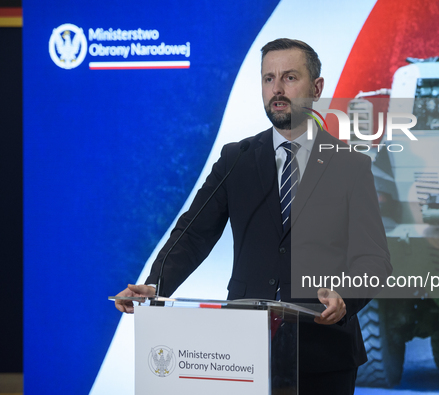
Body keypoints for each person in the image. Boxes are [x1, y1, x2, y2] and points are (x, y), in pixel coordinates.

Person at [115, 38, 391, 394]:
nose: (277, 89)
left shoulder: (350, 164)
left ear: (317, 88)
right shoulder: (237, 159)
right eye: (268, 78)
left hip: (325, 353)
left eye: (290, 78)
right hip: (244, 353)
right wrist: (156, 285)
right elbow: (193, 233)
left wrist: (346, 296)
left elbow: (375, 259)